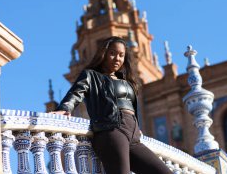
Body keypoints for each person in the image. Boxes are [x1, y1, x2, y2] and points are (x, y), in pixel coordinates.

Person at [51, 36, 172, 174]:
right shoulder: (91, 75)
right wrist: (65, 107)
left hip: (134, 136)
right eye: (112, 53)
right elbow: (77, 92)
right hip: (112, 129)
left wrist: (136, 126)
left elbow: (131, 107)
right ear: (104, 53)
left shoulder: (127, 81)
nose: (117, 58)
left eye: (121, 55)